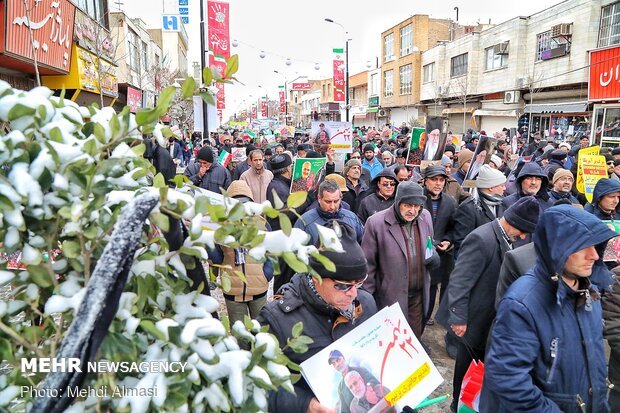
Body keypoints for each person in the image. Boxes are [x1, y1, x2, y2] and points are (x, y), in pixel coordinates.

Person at [481, 205, 616, 413]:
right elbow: (509, 380)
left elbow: (595, 364)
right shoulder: (522, 303)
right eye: (583, 247)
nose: (594, 256)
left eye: (595, 245)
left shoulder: (591, 291)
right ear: (558, 248)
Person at [257, 224, 377, 413]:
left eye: (359, 283)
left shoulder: (366, 303)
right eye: (343, 286)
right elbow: (253, 383)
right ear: (316, 277)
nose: (354, 294)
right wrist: (306, 405)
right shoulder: (276, 319)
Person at [441, 196, 541, 412]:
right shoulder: (481, 238)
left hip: (489, 318)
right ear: (511, 221)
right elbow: (460, 280)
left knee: (481, 368)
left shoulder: (507, 236)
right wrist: (458, 318)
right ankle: (457, 404)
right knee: (466, 367)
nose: (523, 237)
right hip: (472, 320)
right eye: (522, 230)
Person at [362, 181, 439, 338]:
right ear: (398, 202)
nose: (412, 211)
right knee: (391, 342)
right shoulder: (376, 223)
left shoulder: (425, 217)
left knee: (413, 340)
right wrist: (366, 302)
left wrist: (434, 255)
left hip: (418, 296)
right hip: (390, 297)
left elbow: (430, 243)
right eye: (408, 205)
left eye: (417, 206)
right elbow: (368, 266)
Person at [207, 181, 273, 327]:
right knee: (239, 332)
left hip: (258, 287)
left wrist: (266, 273)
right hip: (233, 288)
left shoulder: (261, 224)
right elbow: (217, 258)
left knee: (261, 331)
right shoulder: (221, 226)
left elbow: (271, 252)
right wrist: (208, 242)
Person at [421, 166, 457, 325]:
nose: (438, 184)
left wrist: (448, 240)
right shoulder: (417, 199)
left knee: (432, 289)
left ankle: (425, 319)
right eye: (434, 179)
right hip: (418, 254)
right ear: (425, 181)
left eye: (441, 180)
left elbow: (452, 227)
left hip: (439, 256)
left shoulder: (450, 202)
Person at [453, 165, 506, 256]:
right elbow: (462, 243)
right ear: (491, 187)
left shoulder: (501, 203)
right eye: (502, 185)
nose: (505, 188)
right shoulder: (468, 208)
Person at [294, 180, 364, 245]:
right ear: (319, 198)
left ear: (340, 198)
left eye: (336, 201)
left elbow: (363, 245)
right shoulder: (305, 222)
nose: (332, 206)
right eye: (328, 202)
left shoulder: (352, 218)